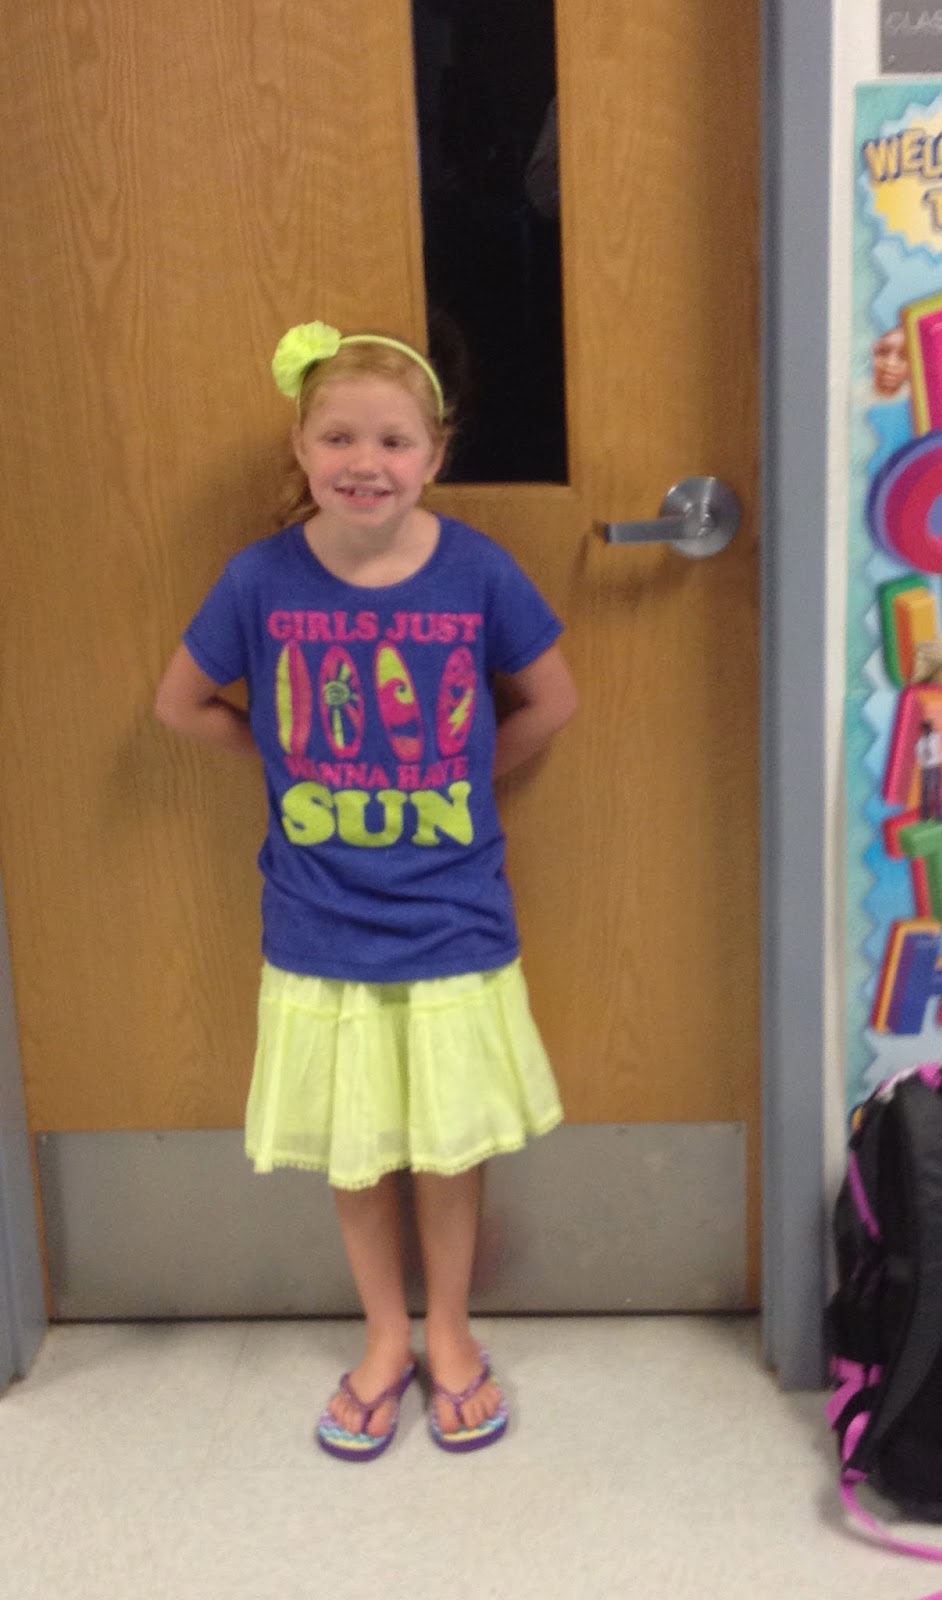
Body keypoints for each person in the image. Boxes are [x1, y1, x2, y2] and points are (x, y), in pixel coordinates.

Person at [156, 321, 578, 1460]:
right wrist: (279, 763)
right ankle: (385, 1335)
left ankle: (450, 1332)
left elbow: (552, 699)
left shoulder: (478, 570)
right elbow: (180, 704)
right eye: (338, 437)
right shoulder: (259, 579)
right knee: (357, 1149)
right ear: (301, 448)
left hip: (451, 917)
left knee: (445, 1146)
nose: (365, 461)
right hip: (320, 920)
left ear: (434, 454)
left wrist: (465, 779)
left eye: (393, 440)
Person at [915, 719, 942, 822]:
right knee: (929, 792)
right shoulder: (923, 741)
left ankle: (933, 816)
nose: (929, 730)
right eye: (928, 728)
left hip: (931, 767)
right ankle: (929, 815)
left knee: (932, 792)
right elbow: (919, 756)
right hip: (930, 768)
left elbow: (919, 757)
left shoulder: (931, 738)